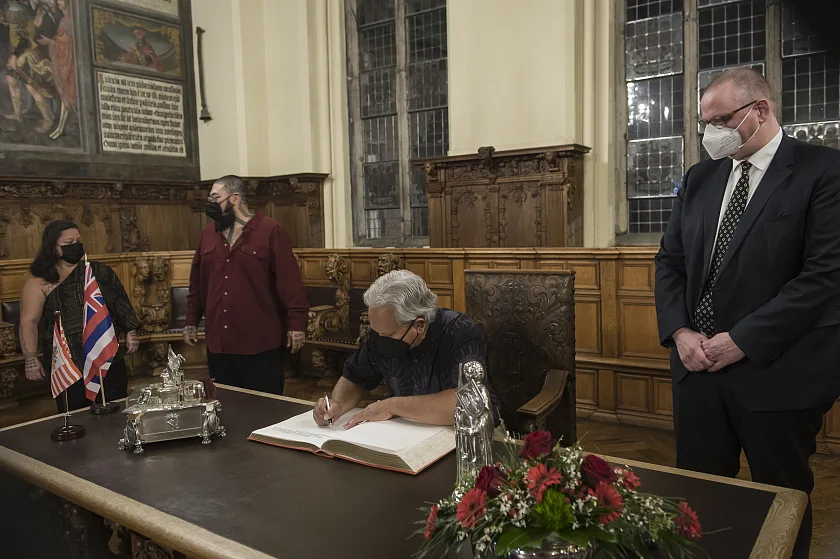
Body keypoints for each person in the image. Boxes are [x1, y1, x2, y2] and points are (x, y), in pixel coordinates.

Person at [654, 67, 840, 559]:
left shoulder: (823, 171)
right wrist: (679, 331)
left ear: (759, 110)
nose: (710, 132)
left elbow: (824, 276)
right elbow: (669, 262)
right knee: (697, 498)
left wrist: (741, 340)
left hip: (777, 370)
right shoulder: (699, 178)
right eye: (704, 123)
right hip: (697, 367)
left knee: (782, 501)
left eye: (720, 119)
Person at [313, 270, 494, 429]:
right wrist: (336, 405)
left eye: (387, 335)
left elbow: (468, 402)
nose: (378, 340)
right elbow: (356, 377)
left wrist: (391, 406)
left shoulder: (462, 332)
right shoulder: (381, 333)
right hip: (406, 431)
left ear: (419, 325)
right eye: (376, 333)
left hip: (465, 433)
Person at [185, 174, 309, 395]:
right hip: (220, 343)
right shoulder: (208, 234)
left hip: (260, 343)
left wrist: (297, 324)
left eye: (215, 198)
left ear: (234, 199)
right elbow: (197, 282)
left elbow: (289, 282)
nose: (210, 204)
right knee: (225, 407)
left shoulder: (270, 231)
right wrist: (191, 320)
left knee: (264, 409)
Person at [19, 220, 140, 412]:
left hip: (105, 348)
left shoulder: (99, 271)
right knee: (75, 411)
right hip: (67, 357)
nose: (75, 246)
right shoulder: (40, 280)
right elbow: (29, 321)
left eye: (78, 240)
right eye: (68, 243)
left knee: (115, 404)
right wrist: (31, 359)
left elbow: (119, 301)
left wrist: (131, 331)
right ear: (52, 247)